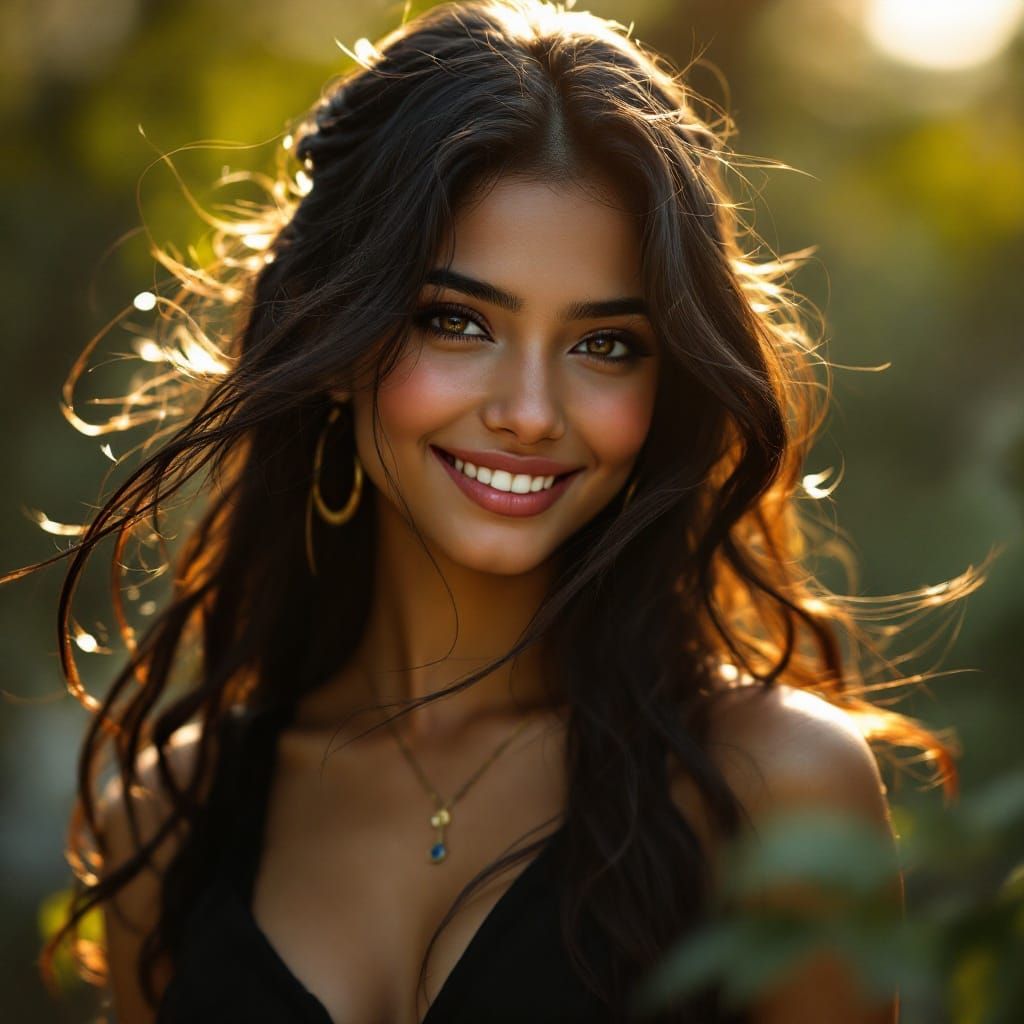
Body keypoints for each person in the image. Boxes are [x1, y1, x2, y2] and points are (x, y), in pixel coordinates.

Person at [15, 1, 986, 1021]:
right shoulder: (170, 816)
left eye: (604, 343)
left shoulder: (776, 788)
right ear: (336, 342)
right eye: (455, 321)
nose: (529, 413)